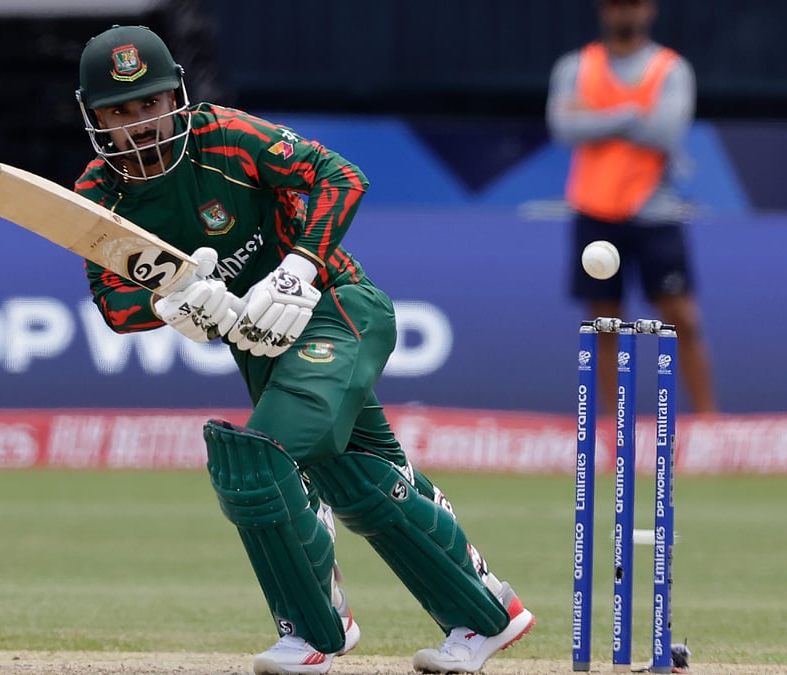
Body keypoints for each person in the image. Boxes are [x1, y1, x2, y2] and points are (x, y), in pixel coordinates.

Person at [71, 25, 535, 675]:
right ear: (96, 119)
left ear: (175, 96)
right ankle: (487, 614)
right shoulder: (97, 196)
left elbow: (339, 176)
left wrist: (299, 267)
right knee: (361, 481)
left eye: (150, 103)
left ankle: (314, 630)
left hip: (335, 309)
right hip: (259, 345)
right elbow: (112, 300)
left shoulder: (225, 136)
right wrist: (168, 305)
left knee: (260, 459)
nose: (141, 123)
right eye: (121, 111)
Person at [547, 0, 718, 414]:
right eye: (616, 5)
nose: (625, 13)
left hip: (655, 213)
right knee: (604, 325)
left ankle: (709, 424)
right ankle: (612, 427)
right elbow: (564, 128)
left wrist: (597, 115)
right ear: (604, 10)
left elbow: (665, 132)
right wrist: (633, 113)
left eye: (633, 5)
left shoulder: (670, 68)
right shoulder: (575, 67)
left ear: (649, 10)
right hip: (595, 212)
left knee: (682, 320)